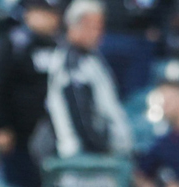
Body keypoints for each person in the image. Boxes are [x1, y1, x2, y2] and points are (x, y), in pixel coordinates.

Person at [0, 0, 64, 187]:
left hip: (51, 134)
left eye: (53, 13)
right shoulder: (15, 43)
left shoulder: (59, 45)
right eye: (45, 12)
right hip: (17, 134)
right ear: (30, 13)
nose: (51, 18)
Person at [46, 0, 133, 159]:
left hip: (97, 158)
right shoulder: (70, 62)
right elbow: (80, 117)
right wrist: (102, 149)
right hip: (84, 161)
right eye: (94, 28)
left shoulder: (91, 59)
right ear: (76, 26)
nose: (100, 34)